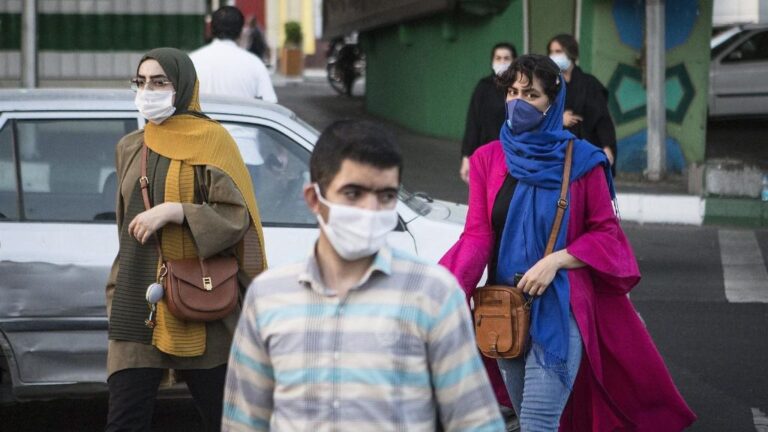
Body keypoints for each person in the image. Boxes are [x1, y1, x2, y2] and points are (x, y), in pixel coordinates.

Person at [440, 54, 696, 431]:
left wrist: (557, 260)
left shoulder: (584, 160)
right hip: (502, 310)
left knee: (539, 423)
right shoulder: (487, 160)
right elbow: (478, 236)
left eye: (531, 95)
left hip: (561, 308)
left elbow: (607, 234)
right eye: (512, 92)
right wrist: (444, 292)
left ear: (553, 102)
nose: (517, 102)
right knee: (525, 418)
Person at [221, 120, 505, 431]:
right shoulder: (267, 298)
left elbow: (475, 421)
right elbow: (244, 421)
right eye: (353, 193)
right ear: (315, 199)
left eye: (385, 196)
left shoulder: (433, 295)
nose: (370, 209)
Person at [105, 47, 267, 432]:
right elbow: (124, 226)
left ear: (183, 86)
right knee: (125, 421)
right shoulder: (131, 147)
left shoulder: (213, 142)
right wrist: (114, 290)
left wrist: (177, 212)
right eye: (141, 81)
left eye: (160, 82)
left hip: (203, 298)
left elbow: (236, 218)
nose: (149, 90)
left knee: (226, 421)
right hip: (137, 300)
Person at [547, 34, 617, 174]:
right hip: (556, 153)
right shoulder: (548, 85)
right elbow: (539, 115)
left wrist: (607, 147)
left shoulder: (589, 84)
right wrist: (559, 119)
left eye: (558, 51)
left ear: (570, 53)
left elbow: (602, 118)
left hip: (587, 149)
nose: (553, 56)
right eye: (551, 52)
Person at [190, 6, 277, 103]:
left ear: (210, 29)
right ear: (241, 32)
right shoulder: (255, 64)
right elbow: (270, 103)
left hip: (199, 118)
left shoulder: (191, 61)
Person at [460, 42, 517, 183]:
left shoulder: (521, 88)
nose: (502, 62)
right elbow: (473, 122)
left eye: (506, 58)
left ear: (514, 61)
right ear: (492, 61)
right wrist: (467, 156)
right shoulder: (484, 87)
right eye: (498, 58)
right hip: (488, 155)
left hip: (516, 156)